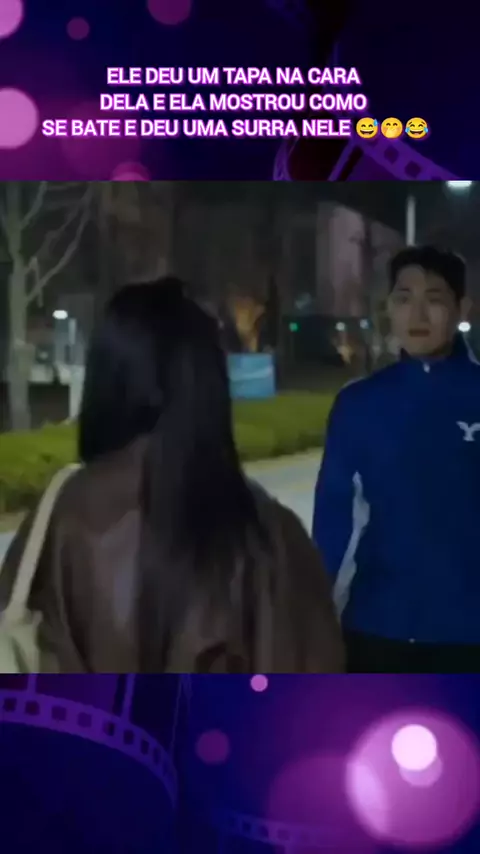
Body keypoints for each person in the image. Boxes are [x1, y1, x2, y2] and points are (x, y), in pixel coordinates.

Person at [1, 277, 344, 673]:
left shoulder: (59, 520)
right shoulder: (274, 536)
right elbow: (316, 680)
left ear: (107, 381)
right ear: (210, 384)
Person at [313, 245, 480, 674]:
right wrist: (314, 616)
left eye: (434, 299)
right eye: (404, 298)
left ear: (463, 308)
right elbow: (335, 522)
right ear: (389, 307)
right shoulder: (359, 404)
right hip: (377, 631)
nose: (417, 314)